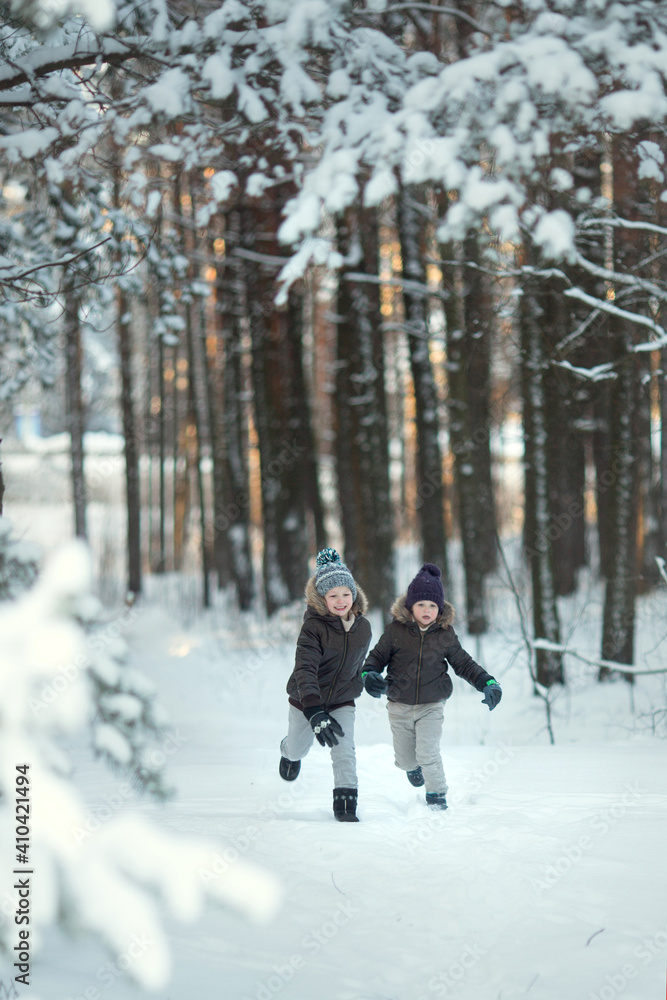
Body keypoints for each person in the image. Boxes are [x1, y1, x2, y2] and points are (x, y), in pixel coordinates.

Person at [361, 563, 502, 810]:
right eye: (421, 604)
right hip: (399, 705)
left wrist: (487, 683)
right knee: (405, 760)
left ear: (440, 609)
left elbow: (464, 664)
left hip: (431, 705)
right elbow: (375, 659)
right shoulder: (395, 631)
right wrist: (368, 673)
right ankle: (413, 768)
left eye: (433, 605)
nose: (427, 610)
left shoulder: (445, 635)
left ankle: (437, 796)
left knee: (428, 753)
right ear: (410, 606)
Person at [279, 548, 371, 822]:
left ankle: (346, 803)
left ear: (353, 593)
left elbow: (357, 665)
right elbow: (305, 670)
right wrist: (315, 712)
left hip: (342, 699)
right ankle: (287, 752)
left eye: (345, 593)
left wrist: (369, 677)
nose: (340, 600)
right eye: (333, 596)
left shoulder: (363, 628)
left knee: (344, 749)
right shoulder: (313, 628)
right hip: (306, 700)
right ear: (322, 598)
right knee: (299, 748)